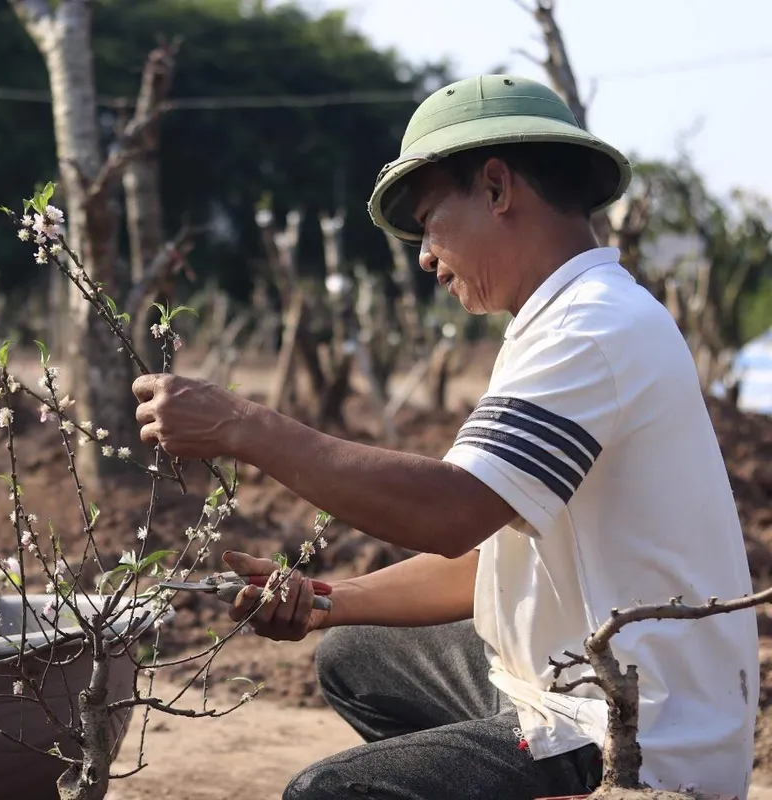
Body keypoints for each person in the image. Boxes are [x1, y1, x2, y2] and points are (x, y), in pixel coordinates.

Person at [131, 74, 758, 800]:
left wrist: (241, 425)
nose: (425, 256)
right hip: (570, 685)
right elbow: (487, 560)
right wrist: (327, 598)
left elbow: (449, 513)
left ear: (496, 188)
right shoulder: (560, 319)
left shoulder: (592, 328)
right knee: (354, 655)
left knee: (332, 793)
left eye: (430, 221)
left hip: (637, 734)